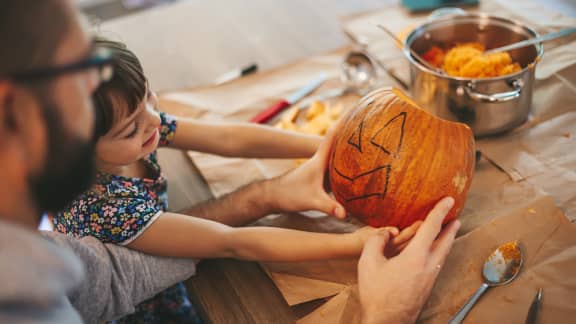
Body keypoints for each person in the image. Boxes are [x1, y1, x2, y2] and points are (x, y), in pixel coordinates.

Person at [0, 0, 459, 323]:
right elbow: (232, 244)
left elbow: (225, 137)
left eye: (150, 101)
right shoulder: (106, 206)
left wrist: (326, 147)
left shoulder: (137, 122)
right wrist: (359, 243)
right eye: (130, 129)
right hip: (152, 304)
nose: (153, 123)